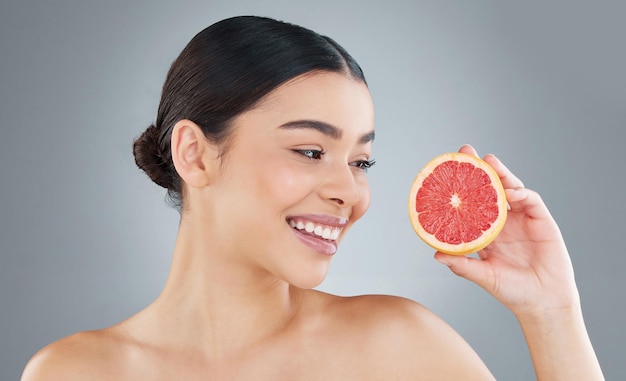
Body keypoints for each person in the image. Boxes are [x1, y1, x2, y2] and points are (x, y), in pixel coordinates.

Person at [21, 15, 604, 380]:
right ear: (195, 155)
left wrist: (551, 312)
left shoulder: (397, 347)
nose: (348, 190)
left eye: (361, 161)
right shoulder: (73, 372)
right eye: (309, 151)